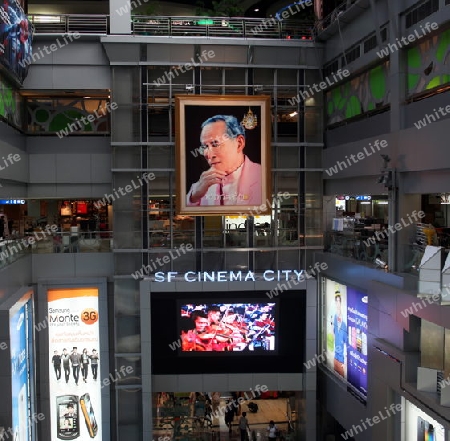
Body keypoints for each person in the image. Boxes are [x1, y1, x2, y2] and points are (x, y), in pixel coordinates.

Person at [186, 115, 262, 207]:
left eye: (215, 144)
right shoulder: (198, 188)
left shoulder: (262, 177)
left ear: (239, 143)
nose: (209, 155)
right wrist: (194, 197)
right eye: (205, 147)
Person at [333, 292, 347, 377]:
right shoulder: (334, 317)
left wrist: (345, 363)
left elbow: (347, 344)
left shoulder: (344, 323)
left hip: (341, 361)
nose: (338, 303)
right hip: (335, 359)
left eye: (339, 301)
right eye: (336, 301)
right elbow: (334, 333)